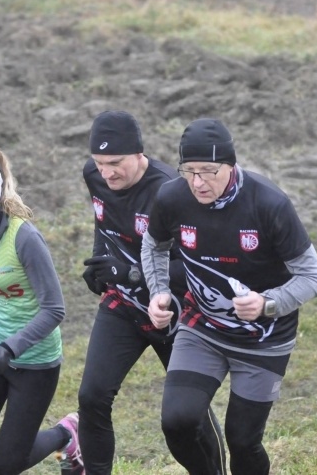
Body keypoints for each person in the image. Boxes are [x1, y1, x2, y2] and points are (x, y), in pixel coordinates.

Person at [143, 117, 317, 475]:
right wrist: (159, 291)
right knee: (177, 422)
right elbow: (154, 246)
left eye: (209, 171)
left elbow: (313, 277)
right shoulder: (172, 197)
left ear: (231, 164)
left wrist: (266, 303)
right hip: (202, 329)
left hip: (264, 339)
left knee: (243, 441)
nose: (198, 182)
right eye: (189, 171)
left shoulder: (269, 203)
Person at [78, 110, 226, 475]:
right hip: (123, 307)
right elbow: (104, 222)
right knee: (91, 397)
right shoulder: (94, 176)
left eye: (115, 163)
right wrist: (101, 263)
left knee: (185, 417)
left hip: (176, 311)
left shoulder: (170, 192)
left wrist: (129, 272)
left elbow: (198, 267)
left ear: (139, 154)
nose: (107, 173)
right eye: (99, 163)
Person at [0, 149, 81, 475]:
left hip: (34, 362)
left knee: (6, 464)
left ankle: (68, 434)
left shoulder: (24, 238)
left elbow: (54, 309)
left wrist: (11, 348)